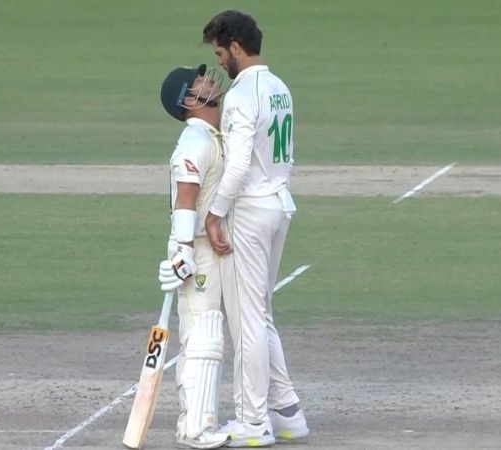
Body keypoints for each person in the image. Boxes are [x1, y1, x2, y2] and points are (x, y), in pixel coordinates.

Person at [200, 10, 310, 447]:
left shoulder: (242, 94)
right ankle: (287, 412)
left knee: (246, 321)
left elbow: (239, 162)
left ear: (237, 48)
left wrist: (214, 212)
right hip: (280, 204)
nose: (220, 62)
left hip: (250, 210)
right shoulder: (280, 87)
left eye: (220, 53)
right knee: (260, 315)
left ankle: (252, 422)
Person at [157, 63, 231, 449]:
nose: (209, 80)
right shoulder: (195, 142)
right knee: (202, 335)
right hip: (196, 250)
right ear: (189, 98)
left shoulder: (211, 135)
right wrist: (181, 250)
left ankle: (201, 420)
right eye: (199, 79)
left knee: (207, 330)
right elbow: (185, 198)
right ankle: (194, 429)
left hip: (207, 247)